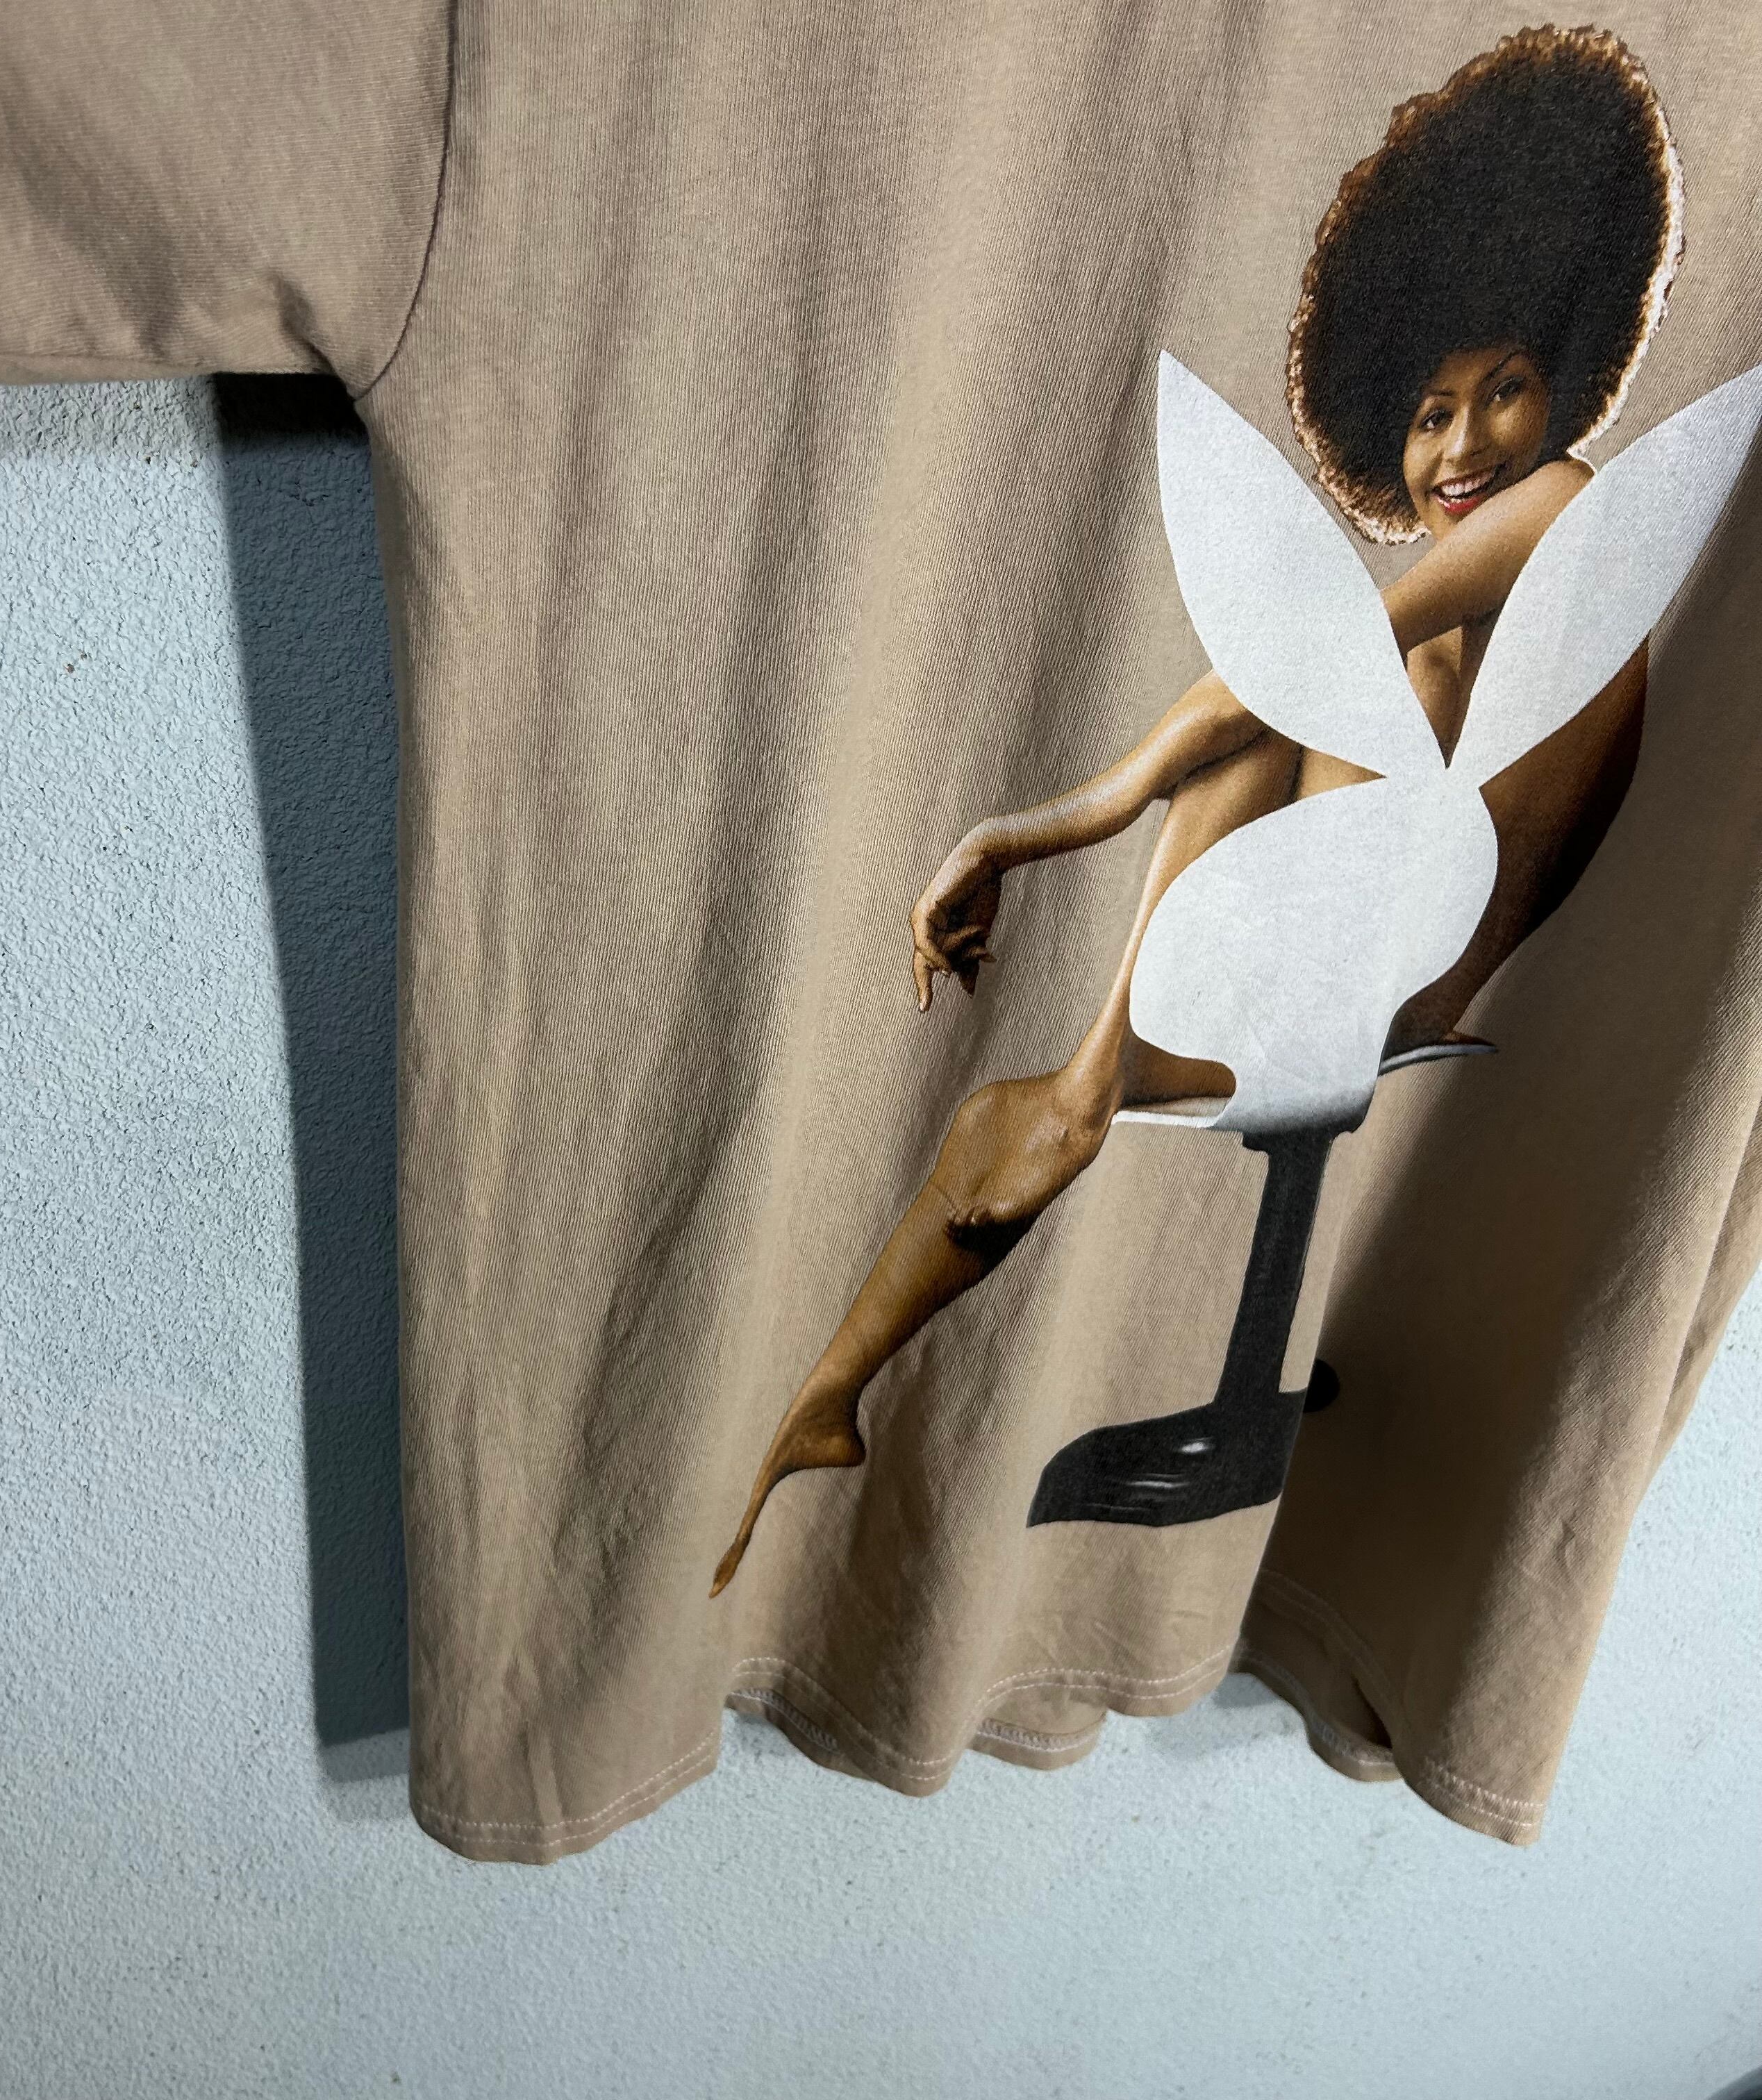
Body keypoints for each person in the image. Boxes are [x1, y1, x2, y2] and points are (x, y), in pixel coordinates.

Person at [713, 25, 1684, 1596]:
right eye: (1428, 411)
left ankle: (1082, 1101)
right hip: (1373, 933)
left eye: (1502, 392)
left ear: (1562, 379)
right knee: (1054, 1051)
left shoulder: (1568, 507)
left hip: (1411, 955)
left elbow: (1282, 678)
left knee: (1279, 701)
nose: (1459, 447)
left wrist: (1024, 835)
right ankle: (847, 1380)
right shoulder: (1475, 595)